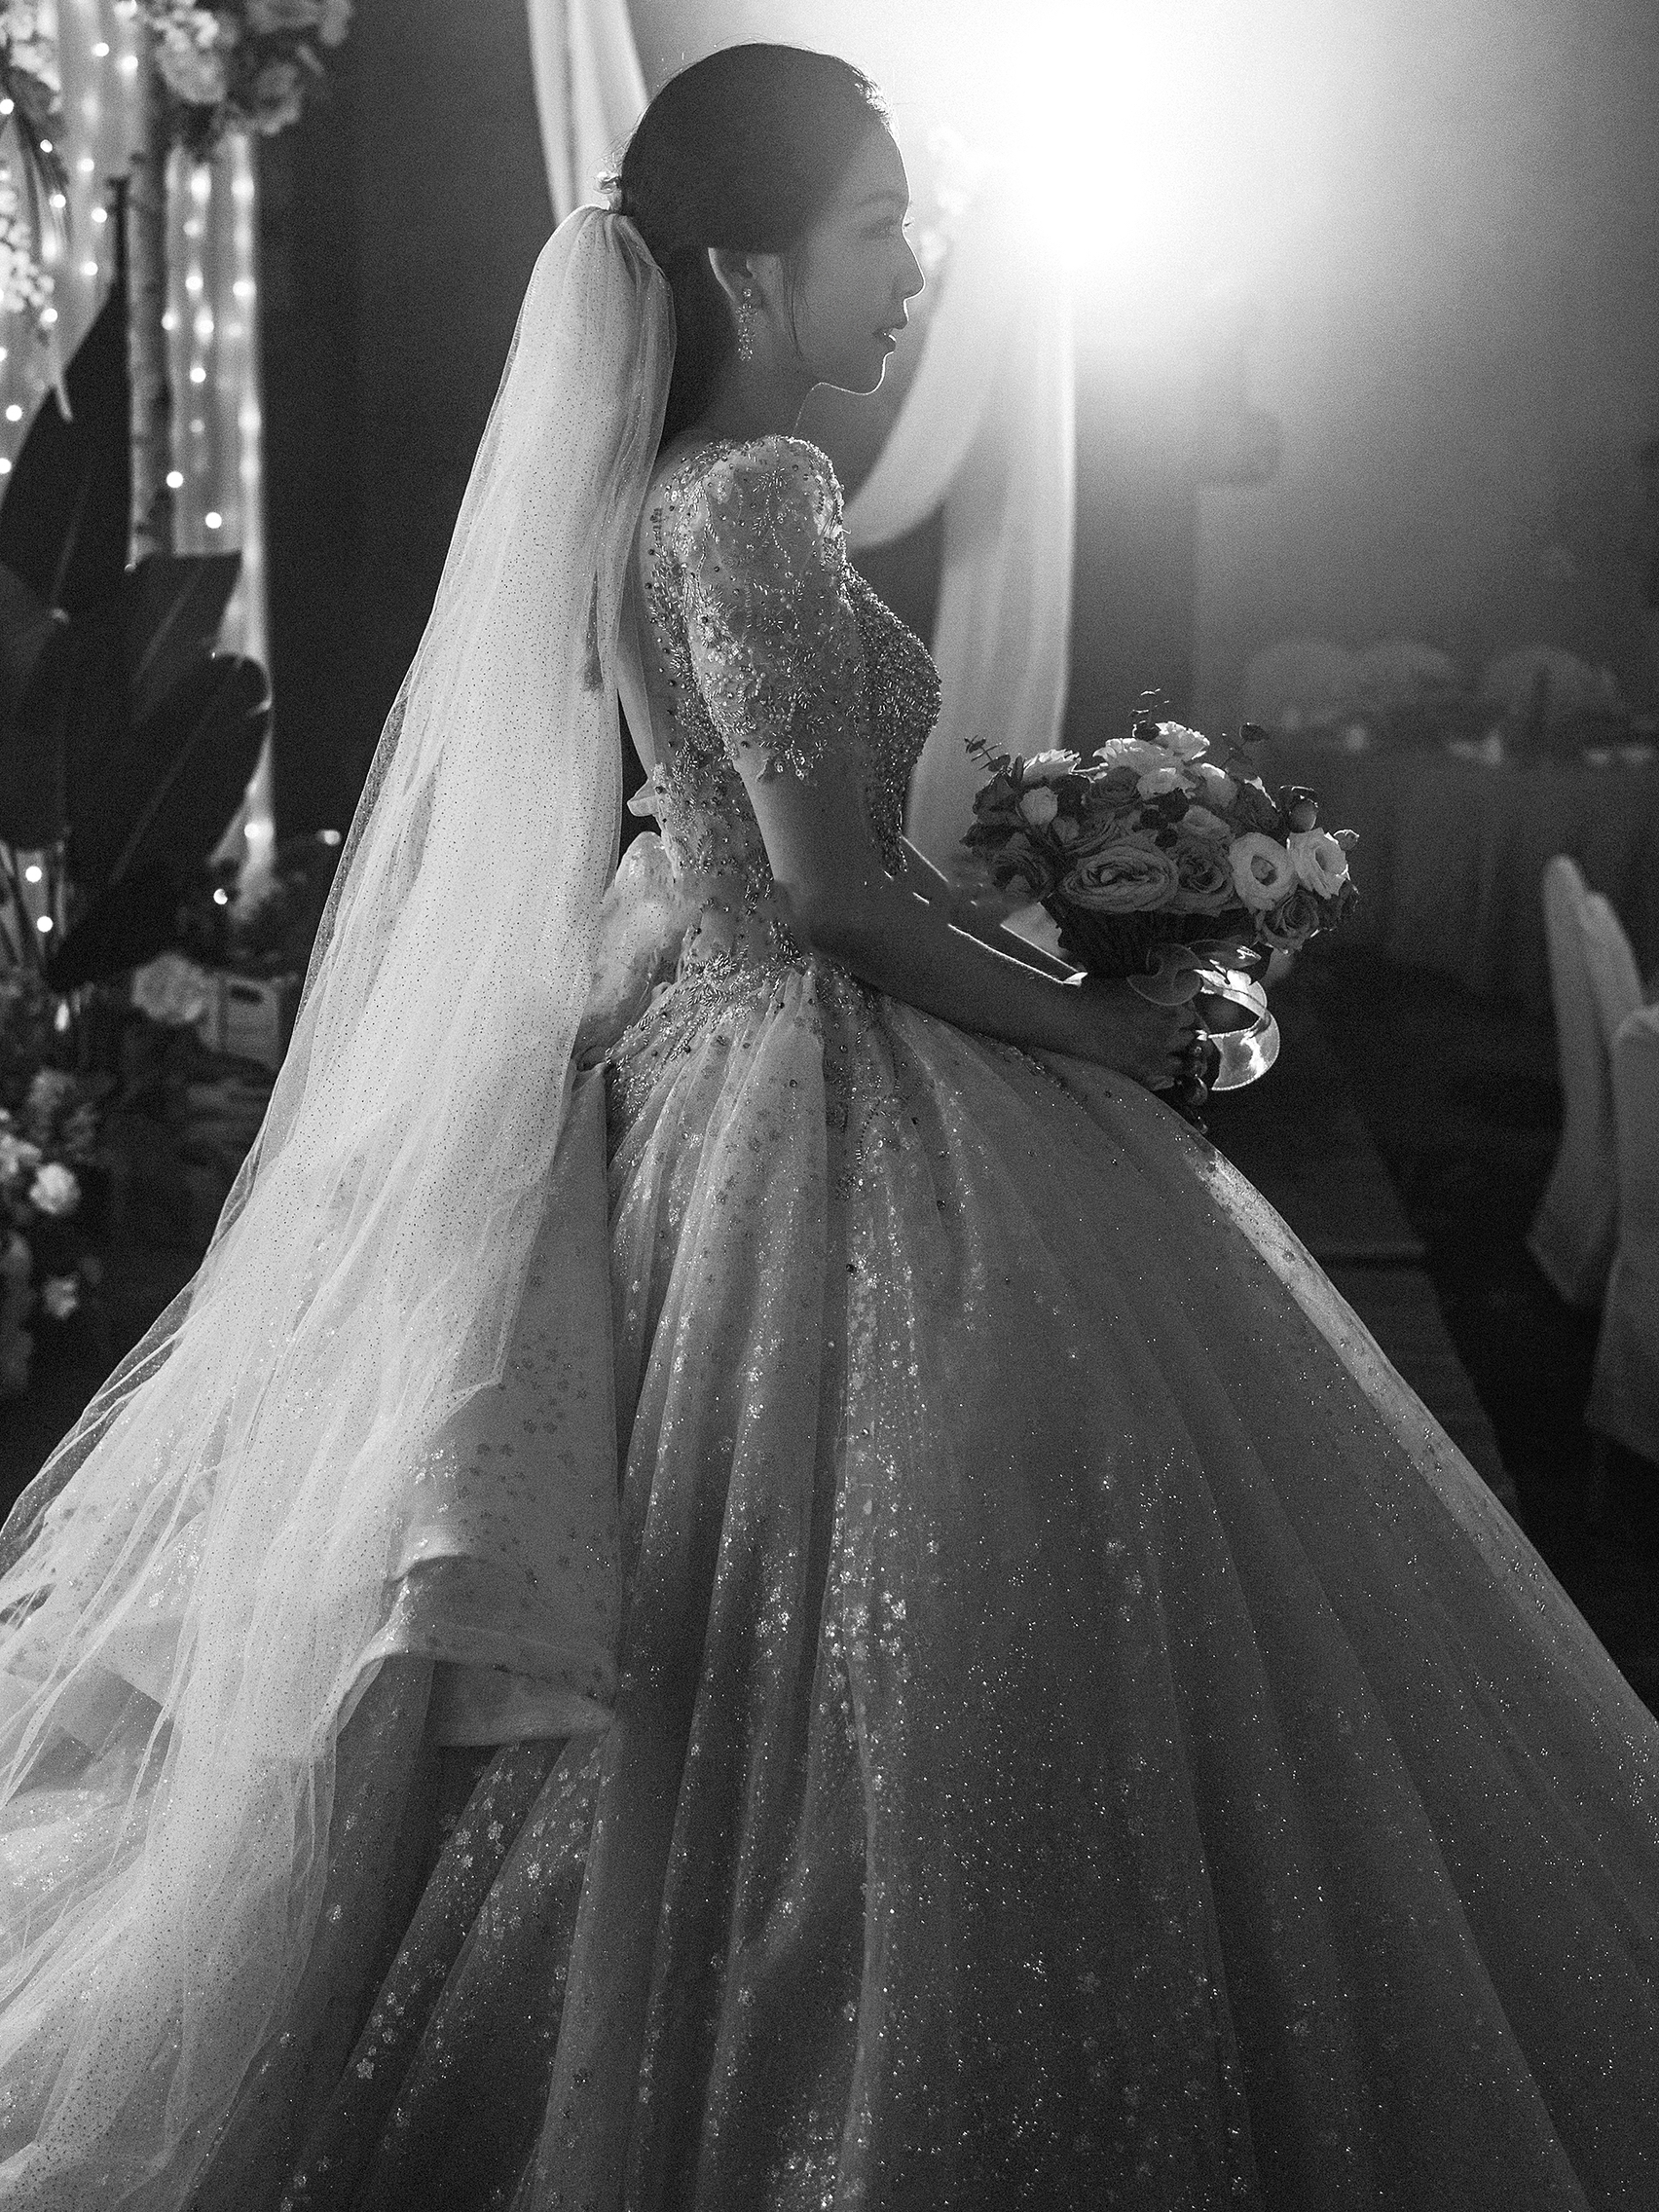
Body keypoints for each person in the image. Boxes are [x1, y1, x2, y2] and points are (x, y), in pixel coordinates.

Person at [0, 41, 1655, 2212]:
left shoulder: (649, 495)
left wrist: (1051, 934)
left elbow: (792, 863)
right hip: (808, 1077)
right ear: (746, 269)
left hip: (716, 1055)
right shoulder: (756, 496)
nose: (913, 270)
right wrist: (1103, 1029)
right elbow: (830, 898)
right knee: (930, 1574)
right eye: (877, 229)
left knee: (734, 1621)